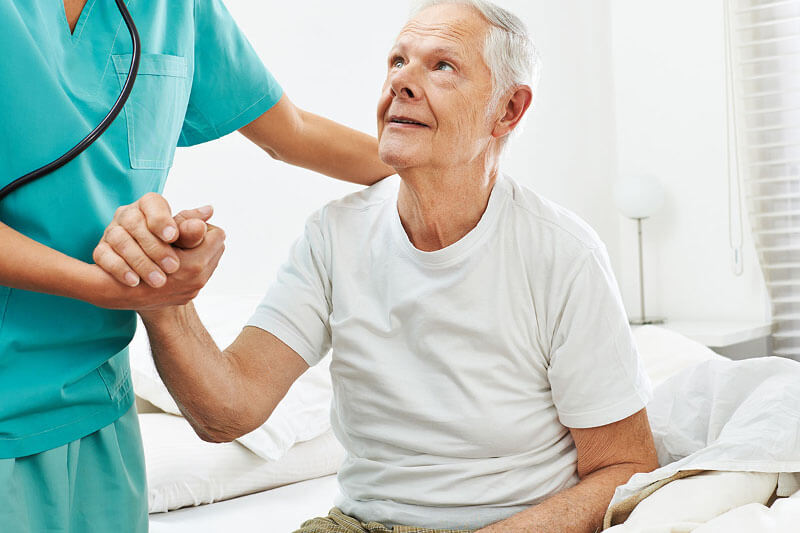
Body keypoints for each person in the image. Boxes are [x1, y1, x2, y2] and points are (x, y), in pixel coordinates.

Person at [116, 0, 660, 531]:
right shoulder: (333, 236)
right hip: (359, 524)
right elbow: (229, 411)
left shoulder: (562, 252)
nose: (401, 81)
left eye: (442, 65)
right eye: (397, 61)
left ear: (508, 111)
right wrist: (167, 302)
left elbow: (625, 466)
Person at [0, 1, 393, 532]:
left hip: (95, 406)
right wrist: (122, 290)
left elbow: (291, 131)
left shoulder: (176, 9)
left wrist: (442, 172)